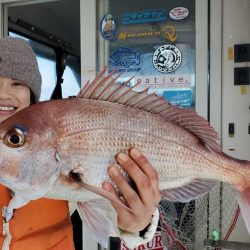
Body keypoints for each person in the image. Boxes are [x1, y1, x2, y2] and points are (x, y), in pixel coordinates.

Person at [0, 37, 161, 250]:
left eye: (17, 83)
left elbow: (110, 213)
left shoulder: (57, 142)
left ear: (31, 94)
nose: (3, 94)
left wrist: (137, 224)